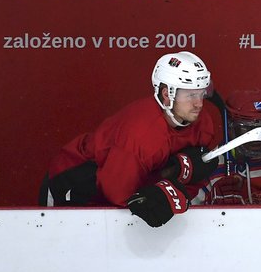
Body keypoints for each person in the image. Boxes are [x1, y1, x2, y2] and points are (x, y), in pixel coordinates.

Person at [39, 51, 220, 228]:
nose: (199, 103)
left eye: (201, 93)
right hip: (74, 182)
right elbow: (118, 195)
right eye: (190, 95)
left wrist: (178, 179)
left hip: (115, 180)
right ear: (167, 95)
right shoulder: (140, 135)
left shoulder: (200, 122)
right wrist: (168, 186)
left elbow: (188, 175)